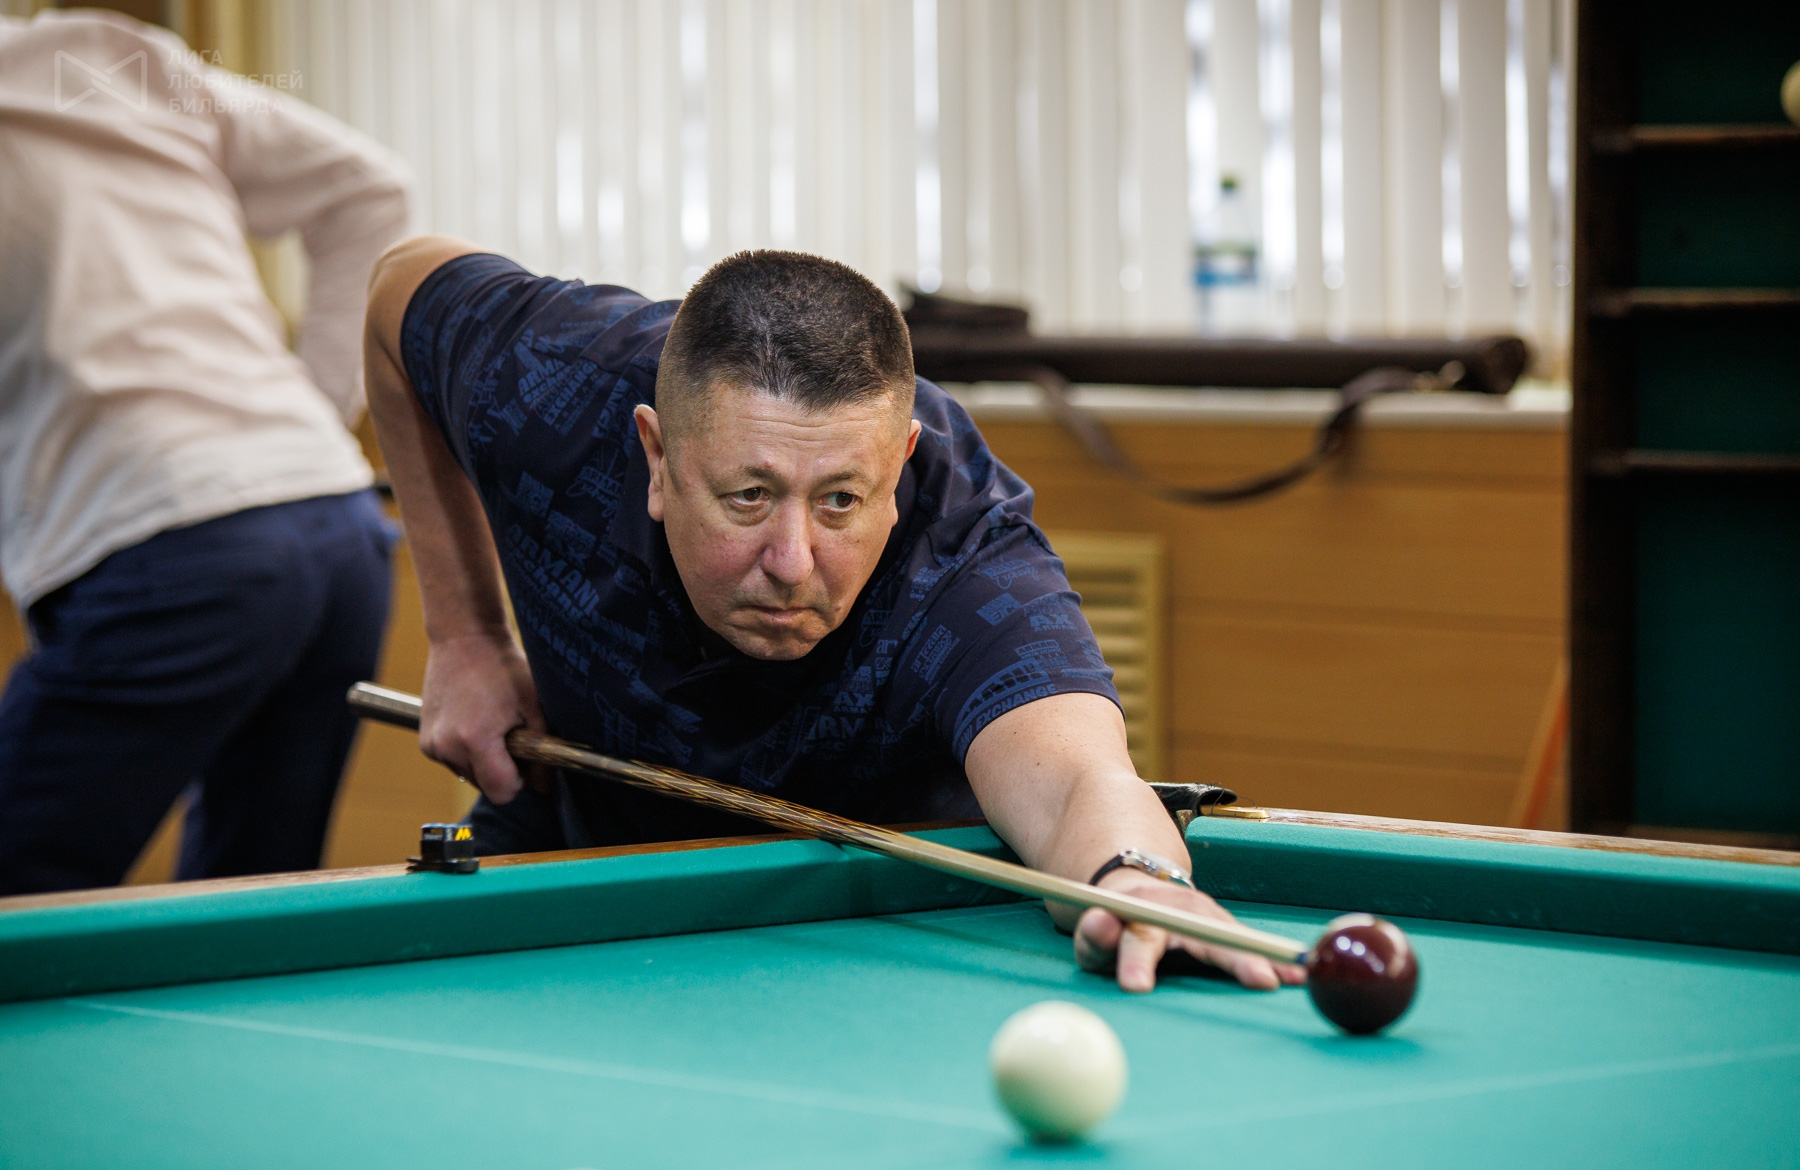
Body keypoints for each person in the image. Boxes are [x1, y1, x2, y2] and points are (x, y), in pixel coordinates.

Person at [365, 238, 1304, 995]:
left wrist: (1136, 878)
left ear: (900, 465)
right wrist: (466, 635)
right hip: (580, 855)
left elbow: (1075, 780)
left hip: (870, 939)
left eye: (842, 501)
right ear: (656, 455)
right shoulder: (553, 382)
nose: (793, 561)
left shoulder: (965, 558)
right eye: (748, 497)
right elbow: (394, 292)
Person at [0, 11, 413, 894]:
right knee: (248, 908)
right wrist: (306, 416)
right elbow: (368, 184)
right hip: (335, 528)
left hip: (180, 549)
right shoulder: (98, 58)